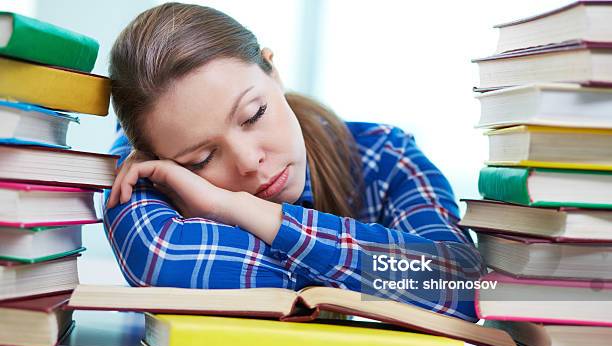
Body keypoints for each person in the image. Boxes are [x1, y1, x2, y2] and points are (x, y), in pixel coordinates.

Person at [104, 2, 485, 321]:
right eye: (202, 159)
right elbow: (160, 257)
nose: (250, 161)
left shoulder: (384, 157)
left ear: (273, 69)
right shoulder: (147, 167)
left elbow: (461, 287)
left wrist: (242, 209)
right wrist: (375, 280)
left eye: (254, 115)